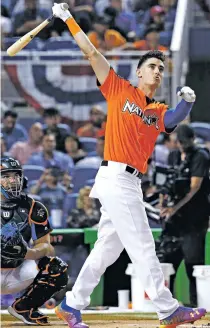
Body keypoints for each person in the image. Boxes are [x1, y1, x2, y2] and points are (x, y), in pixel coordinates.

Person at [52, 3, 206, 327]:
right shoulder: (119, 88)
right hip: (116, 176)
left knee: (107, 250)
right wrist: (68, 18)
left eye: (161, 69)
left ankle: (71, 303)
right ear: (138, 72)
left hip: (128, 181)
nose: (157, 72)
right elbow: (92, 53)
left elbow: (174, 119)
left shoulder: (157, 109)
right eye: (152, 66)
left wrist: (188, 101)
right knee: (143, 244)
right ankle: (167, 309)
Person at [0, 157, 68, 325]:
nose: (12, 181)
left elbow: (48, 248)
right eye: (6, 176)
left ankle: (23, 307)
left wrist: (28, 253)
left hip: (18, 270)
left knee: (56, 267)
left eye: (15, 176)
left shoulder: (33, 207)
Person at [158, 124, 210, 306]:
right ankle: (167, 305)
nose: (180, 145)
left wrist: (175, 208)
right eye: (178, 142)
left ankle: (197, 304)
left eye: (183, 142)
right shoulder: (173, 156)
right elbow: (167, 182)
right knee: (166, 262)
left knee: (192, 264)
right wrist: (163, 202)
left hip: (194, 220)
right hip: (174, 222)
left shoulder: (200, 157)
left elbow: (194, 188)